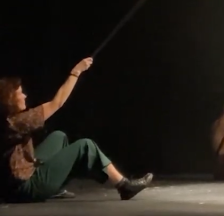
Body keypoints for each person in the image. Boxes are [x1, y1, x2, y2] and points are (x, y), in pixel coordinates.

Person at [0, 58, 153, 203]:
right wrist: (76, 72)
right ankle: (124, 186)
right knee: (85, 145)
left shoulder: (8, 119)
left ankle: (56, 187)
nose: (25, 96)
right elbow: (57, 103)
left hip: (15, 183)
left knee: (59, 137)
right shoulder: (15, 122)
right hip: (24, 188)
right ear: (10, 99)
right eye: (20, 93)